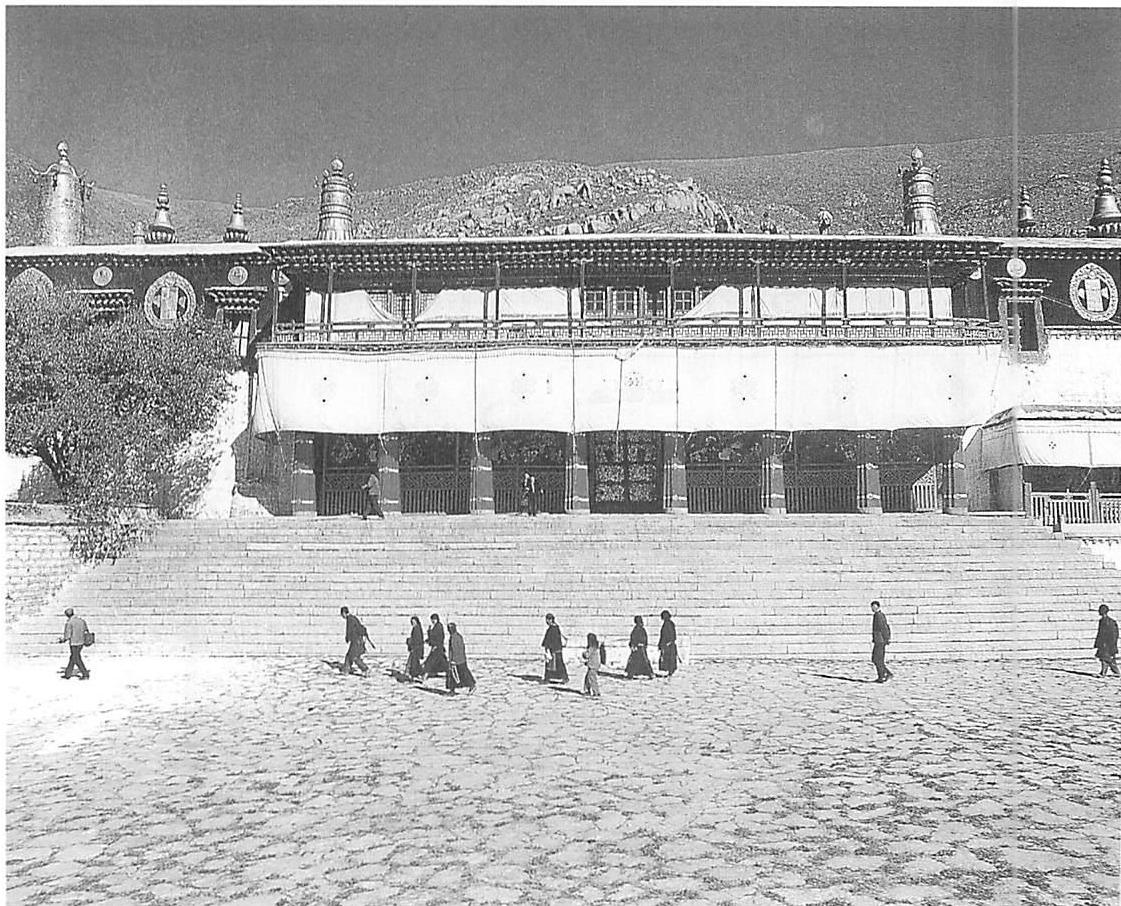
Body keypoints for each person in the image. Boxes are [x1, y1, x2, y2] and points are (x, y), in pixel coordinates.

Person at [58, 607, 90, 680]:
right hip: (81, 642)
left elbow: (68, 635)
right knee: (73, 658)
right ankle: (67, 674)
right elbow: (86, 630)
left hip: (74, 643)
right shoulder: (82, 621)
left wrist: (62, 640)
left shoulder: (69, 623)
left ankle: (85, 674)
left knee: (76, 659)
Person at [340, 606, 374, 675]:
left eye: (342, 614)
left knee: (354, 656)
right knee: (349, 655)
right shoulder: (352, 618)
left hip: (357, 640)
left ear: (344, 613)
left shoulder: (350, 619)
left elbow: (350, 630)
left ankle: (365, 669)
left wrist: (347, 637)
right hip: (356, 640)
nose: (341, 616)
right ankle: (346, 670)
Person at [445, 622, 477, 693]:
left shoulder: (455, 637)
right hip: (459, 660)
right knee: (458, 674)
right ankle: (452, 689)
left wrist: (453, 660)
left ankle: (471, 685)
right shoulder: (456, 636)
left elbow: (456, 649)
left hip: (457, 660)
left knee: (460, 674)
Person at [1094, 604, 1119, 677]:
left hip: (1108, 644)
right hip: (1103, 643)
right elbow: (1100, 633)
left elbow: (1113, 634)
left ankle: (1116, 672)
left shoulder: (1109, 622)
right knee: (1103, 658)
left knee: (1108, 659)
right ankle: (1103, 672)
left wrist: (1111, 643)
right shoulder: (1102, 621)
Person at [542, 613, 568, 682]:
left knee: (553, 664)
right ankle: (563, 677)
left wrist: (547, 647)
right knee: (558, 664)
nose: (547, 621)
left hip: (554, 649)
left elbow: (551, 639)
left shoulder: (553, 629)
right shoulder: (555, 628)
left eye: (548, 620)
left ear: (551, 620)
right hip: (556, 648)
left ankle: (548, 678)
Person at [871, 600, 893, 683]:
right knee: (875, 659)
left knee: (878, 659)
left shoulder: (879, 615)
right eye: (872, 607)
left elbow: (884, 628)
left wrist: (886, 639)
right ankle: (885, 674)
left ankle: (883, 675)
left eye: (874, 607)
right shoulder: (877, 615)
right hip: (878, 640)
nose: (873, 608)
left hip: (880, 641)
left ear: (878, 607)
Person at [422, 613, 449, 680]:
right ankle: (449, 672)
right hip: (437, 648)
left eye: (434, 619)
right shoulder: (435, 626)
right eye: (432, 620)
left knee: (430, 661)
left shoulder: (439, 626)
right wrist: (428, 639)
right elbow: (432, 637)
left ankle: (425, 675)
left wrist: (435, 645)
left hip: (437, 647)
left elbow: (440, 637)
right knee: (443, 662)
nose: (433, 621)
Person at [658, 610, 678, 676]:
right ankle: (669, 671)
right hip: (666, 645)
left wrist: (669, 642)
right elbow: (662, 635)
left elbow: (672, 635)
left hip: (669, 645)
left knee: (670, 658)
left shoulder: (669, 624)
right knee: (666, 658)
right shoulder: (666, 624)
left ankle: (670, 671)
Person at [405, 615, 425, 680]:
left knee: (413, 662)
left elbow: (417, 640)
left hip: (416, 648)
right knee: (415, 662)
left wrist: (411, 643)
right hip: (415, 648)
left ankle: (413, 675)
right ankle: (417, 674)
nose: (413, 623)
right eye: (412, 622)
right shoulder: (416, 628)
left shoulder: (417, 629)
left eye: (414, 622)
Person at [582, 633, 601, 697]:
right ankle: (587, 690)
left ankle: (596, 692)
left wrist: (583, 654)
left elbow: (587, 655)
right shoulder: (595, 647)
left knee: (592, 679)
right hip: (595, 665)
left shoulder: (591, 648)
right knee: (587, 678)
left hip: (592, 666)